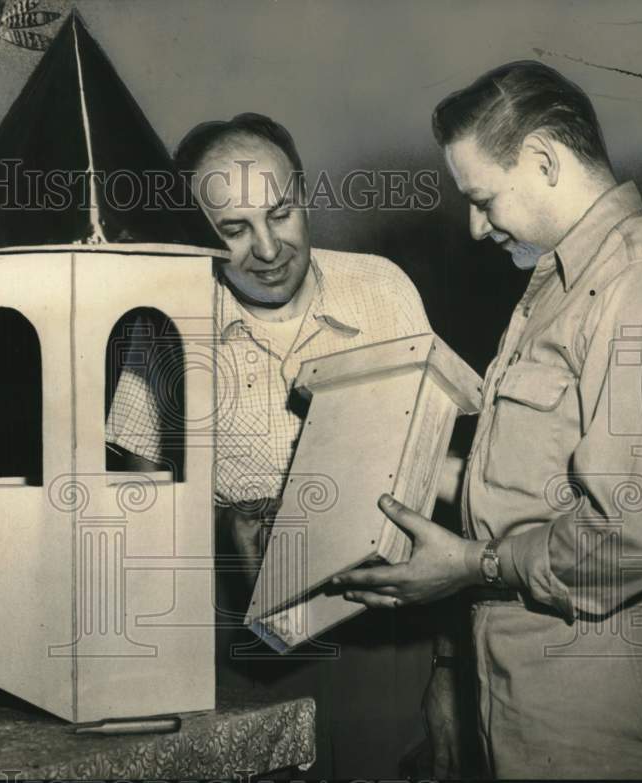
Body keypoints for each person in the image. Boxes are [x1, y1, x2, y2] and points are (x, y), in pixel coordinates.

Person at [334, 60, 642, 780]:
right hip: (532, 685)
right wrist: (400, 475)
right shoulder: (557, 285)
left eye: (484, 198)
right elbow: (539, 480)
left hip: (602, 696)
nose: (474, 226)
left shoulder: (638, 283)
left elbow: (635, 532)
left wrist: (470, 564)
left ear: (545, 160)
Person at [106, 113, 437, 777]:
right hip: (239, 648)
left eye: (280, 213)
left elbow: (440, 481)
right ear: (198, 235)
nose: (267, 247)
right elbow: (132, 515)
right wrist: (223, 524)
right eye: (233, 230)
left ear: (304, 193)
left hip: (384, 641)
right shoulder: (166, 324)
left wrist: (450, 673)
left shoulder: (384, 289)